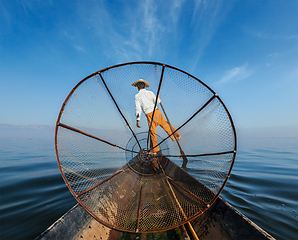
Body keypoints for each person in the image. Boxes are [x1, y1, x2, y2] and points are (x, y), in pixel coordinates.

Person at [132, 79, 181, 154]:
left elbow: (138, 109)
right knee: (165, 125)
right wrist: (158, 97)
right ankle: (177, 135)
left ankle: (155, 150)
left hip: (149, 115)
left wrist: (138, 120)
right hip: (156, 112)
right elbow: (158, 102)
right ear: (144, 86)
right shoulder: (150, 92)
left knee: (153, 132)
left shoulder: (137, 96)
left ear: (137, 87)